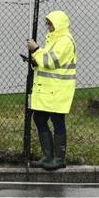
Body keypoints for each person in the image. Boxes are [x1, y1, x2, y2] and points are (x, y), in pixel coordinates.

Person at [25, 10, 76, 170]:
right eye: (47, 23)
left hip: (59, 90)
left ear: (58, 24)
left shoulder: (65, 41)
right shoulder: (54, 39)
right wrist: (35, 61)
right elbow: (45, 60)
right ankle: (48, 156)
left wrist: (36, 50)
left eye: (50, 24)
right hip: (50, 90)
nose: (48, 26)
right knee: (40, 118)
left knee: (57, 121)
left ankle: (58, 159)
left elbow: (51, 61)